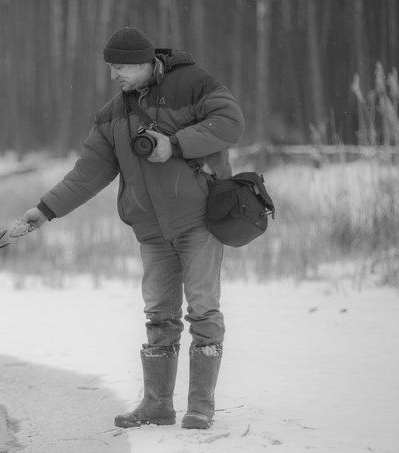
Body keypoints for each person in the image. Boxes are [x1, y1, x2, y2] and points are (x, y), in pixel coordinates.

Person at [20, 27, 245, 430]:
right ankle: (157, 405)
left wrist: (173, 144)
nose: (115, 76)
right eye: (111, 68)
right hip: (151, 231)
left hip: (198, 221)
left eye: (121, 67)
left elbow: (230, 122)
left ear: (145, 62)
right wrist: (45, 210)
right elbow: (87, 175)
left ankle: (200, 406)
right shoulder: (112, 114)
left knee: (202, 309)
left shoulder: (194, 84)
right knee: (159, 314)